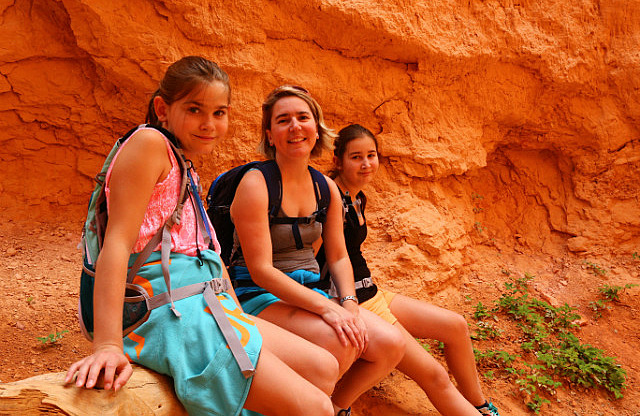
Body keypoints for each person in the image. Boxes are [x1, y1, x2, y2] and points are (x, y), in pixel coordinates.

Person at [65, 56, 338, 416]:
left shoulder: (180, 159)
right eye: (195, 109)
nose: (209, 124)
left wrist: (235, 316)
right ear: (163, 108)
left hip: (204, 304)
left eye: (219, 112)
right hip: (167, 312)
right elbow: (116, 243)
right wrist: (106, 345)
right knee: (317, 408)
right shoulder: (149, 144)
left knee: (325, 367)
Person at [229, 86, 405, 416]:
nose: (295, 127)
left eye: (302, 117)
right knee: (341, 342)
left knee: (390, 345)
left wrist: (348, 304)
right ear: (270, 134)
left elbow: (338, 256)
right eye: (283, 120)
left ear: (316, 126)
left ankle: (335, 408)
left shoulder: (326, 187)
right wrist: (327, 310)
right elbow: (261, 271)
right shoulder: (257, 182)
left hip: (310, 290)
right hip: (258, 295)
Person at [317, 123, 501, 416]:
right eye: (356, 157)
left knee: (456, 326)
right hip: (351, 298)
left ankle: (479, 406)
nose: (366, 164)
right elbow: (317, 259)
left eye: (371, 155)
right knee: (435, 376)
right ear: (338, 161)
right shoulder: (331, 200)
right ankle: (338, 408)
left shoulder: (357, 197)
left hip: (369, 290)